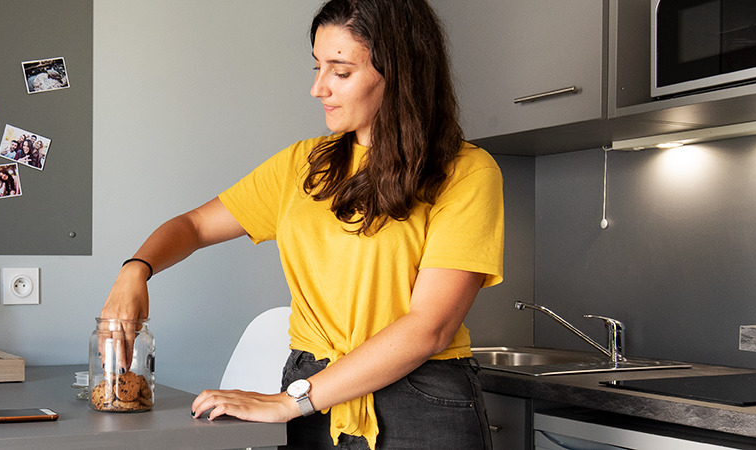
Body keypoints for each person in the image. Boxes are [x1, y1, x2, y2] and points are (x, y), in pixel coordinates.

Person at [98, 1, 503, 448]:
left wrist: (293, 401)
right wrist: (135, 269)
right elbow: (194, 225)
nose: (318, 88)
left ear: (401, 73)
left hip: (417, 402)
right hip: (311, 395)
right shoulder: (303, 167)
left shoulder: (465, 173)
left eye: (340, 71)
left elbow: (431, 327)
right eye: (317, 67)